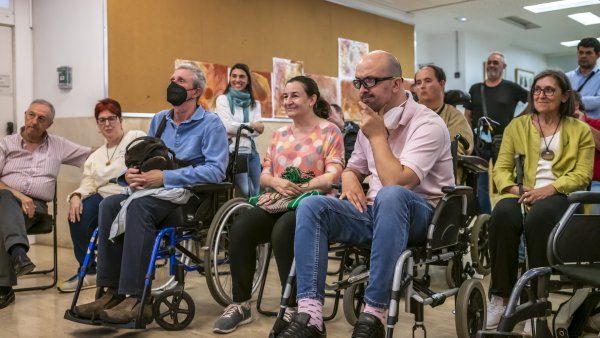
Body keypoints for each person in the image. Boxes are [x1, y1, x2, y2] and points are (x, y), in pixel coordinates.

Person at [275, 51, 454, 338]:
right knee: (312, 206)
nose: (362, 89)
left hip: (421, 216)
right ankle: (310, 313)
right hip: (375, 211)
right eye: (358, 82)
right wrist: (348, 179)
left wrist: (378, 136)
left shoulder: (427, 124)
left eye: (370, 81)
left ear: (396, 84)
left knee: (391, 195)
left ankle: (374, 314)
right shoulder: (371, 123)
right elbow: (354, 167)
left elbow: (397, 181)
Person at [73, 62, 229, 324]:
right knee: (109, 204)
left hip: (190, 197)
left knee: (137, 208)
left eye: (180, 81)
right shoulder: (159, 119)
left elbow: (216, 171)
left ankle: (137, 298)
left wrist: (166, 177)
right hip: (153, 191)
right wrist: (131, 175)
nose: (172, 84)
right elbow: (146, 158)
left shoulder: (210, 124)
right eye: (172, 78)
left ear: (195, 91)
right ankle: (110, 292)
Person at [213, 76, 344, 334]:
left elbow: (334, 174)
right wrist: (277, 182)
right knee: (241, 228)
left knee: (283, 231)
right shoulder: (280, 134)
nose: (288, 101)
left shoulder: (330, 131)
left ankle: (296, 308)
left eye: (294, 95)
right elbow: (264, 175)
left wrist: (302, 187)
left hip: (313, 204)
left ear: (312, 99)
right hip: (279, 199)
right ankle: (240, 305)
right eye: (285, 96)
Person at [486, 70, 594, 332]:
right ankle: (499, 297)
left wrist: (549, 189)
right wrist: (515, 188)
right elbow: (500, 168)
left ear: (564, 95)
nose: (541, 95)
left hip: (561, 197)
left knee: (539, 217)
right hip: (520, 192)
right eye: (537, 89)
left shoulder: (580, 130)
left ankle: (535, 302)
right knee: (502, 216)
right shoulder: (517, 126)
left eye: (549, 90)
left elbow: (582, 175)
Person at [0, 99, 91, 308]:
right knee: (5, 201)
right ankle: (18, 253)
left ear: (49, 124)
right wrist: (20, 196)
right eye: (31, 115)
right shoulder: (5, 144)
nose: (34, 121)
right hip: (7, 201)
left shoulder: (58, 145)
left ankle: (4, 287)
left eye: (42, 118)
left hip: (36, 211)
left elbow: (92, 155)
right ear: (24, 115)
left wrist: (121, 147)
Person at [57, 99, 146, 293]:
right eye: (102, 120)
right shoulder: (95, 156)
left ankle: (117, 272)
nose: (107, 124)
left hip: (130, 192)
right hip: (103, 195)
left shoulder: (135, 137)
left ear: (120, 119)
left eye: (112, 118)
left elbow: (147, 164)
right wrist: (75, 196)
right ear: (97, 125)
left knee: (108, 207)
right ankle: (88, 270)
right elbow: (88, 184)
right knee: (78, 213)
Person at [463, 51, 528, 215]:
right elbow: (468, 114)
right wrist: (469, 136)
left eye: (495, 63)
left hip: (504, 141)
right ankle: (486, 218)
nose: (491, 65)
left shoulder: (511, 88)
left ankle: (505, 214)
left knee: (505, 180)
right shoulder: (476, 88)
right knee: (482, 183)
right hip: (480, 142)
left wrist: (518, 119)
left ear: (503, 67)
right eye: (489, 62)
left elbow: (532, 100)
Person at [215, 63, 265, 197]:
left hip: (252, 153)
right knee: (245, 191)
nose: (238, 80)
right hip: (233, 153)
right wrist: (251, 126)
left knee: (256, 193)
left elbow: (258, 130)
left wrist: (239, 129)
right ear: (230, 78)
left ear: (248, 80)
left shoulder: (255, 104)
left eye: (242, 76)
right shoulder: (222, 100)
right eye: (234, 76)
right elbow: (226, 126)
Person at [414, 64, 474, 155]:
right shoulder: (408, 113)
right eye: (418, 83)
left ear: (442, 84)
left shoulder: (454, 116)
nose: (422, 86)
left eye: (428, 81)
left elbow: (460, 149)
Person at [573, 92, 600, 214]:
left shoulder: (596, 124)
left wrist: (584, 125)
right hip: (565, 185)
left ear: (576, 105)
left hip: (594, 185)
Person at [566, 37, 600, 119]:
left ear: (598, 55)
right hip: (568, 124)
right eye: (581, 52)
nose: (583, 56)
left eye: (588, 53)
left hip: (593, 127)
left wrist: (570, 101)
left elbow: (598, 101)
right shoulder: (567, 77)